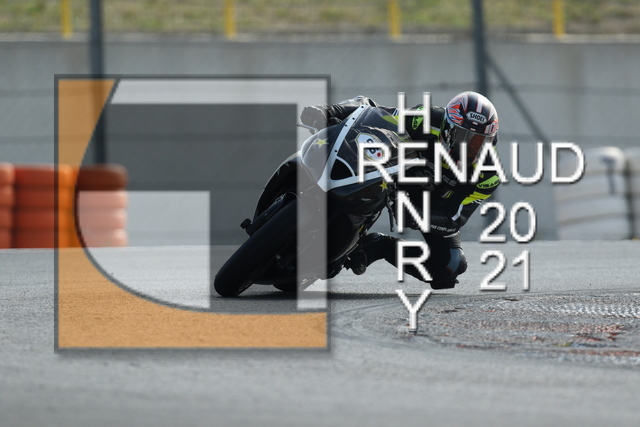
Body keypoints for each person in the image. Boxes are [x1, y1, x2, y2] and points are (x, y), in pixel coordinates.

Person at [300, 91, 500, 289]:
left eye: (480, 141)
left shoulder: (489, 175)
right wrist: (330, 111)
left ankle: (377, 246)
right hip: (396, 173)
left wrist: (419, 215)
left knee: (450, 265)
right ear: (447, 127)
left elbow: (454, 217)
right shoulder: (427, 119)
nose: (471, 147)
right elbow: (375, 112)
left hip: (431, 205)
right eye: (464, 137)